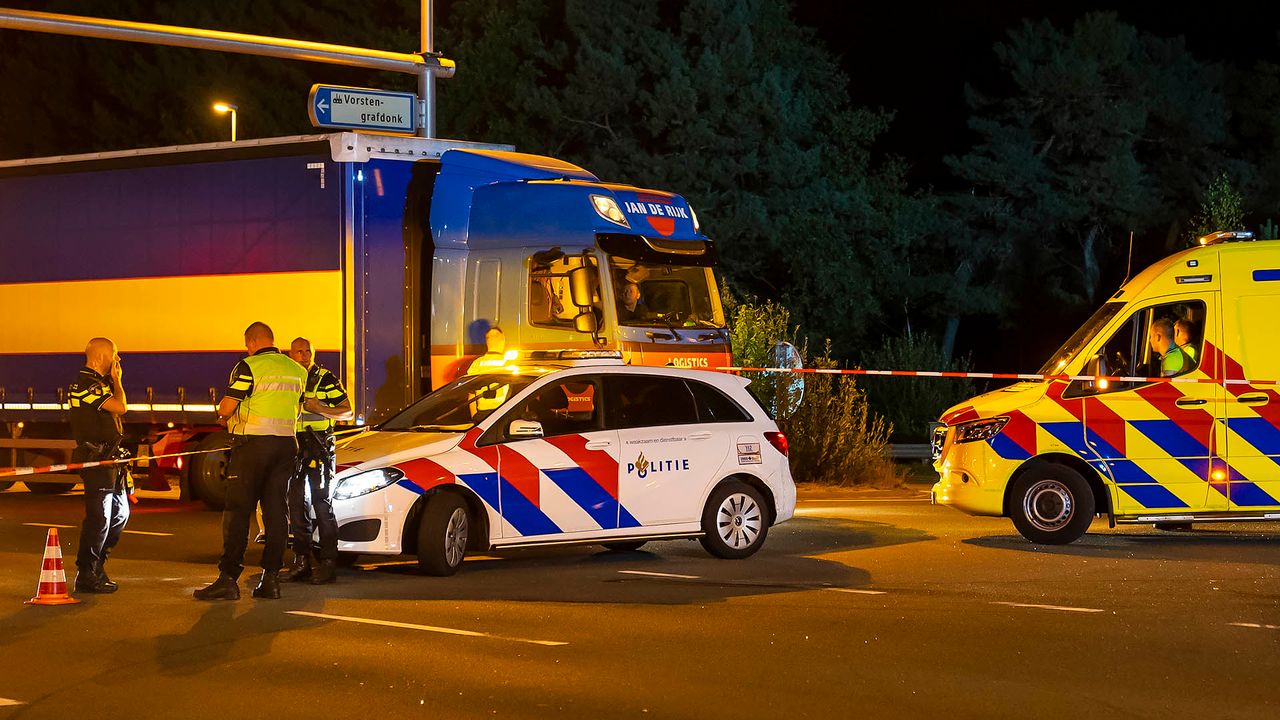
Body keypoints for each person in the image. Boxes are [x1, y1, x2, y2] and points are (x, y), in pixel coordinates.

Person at [195, 322, 308, 601]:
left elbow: (227, 406)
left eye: (248, 344)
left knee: (237, 512)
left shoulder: (248, 366)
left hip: (253, 446)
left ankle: (228, 579)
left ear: (253, 342)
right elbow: (299, 405)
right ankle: (271, 579)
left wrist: (222, 416)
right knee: (276, 512)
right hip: (286, 446)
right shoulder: (296, 369)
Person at [278, 337, 353, 585]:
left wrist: (319, 407)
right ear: (290, 355)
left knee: (322, 505)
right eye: (299, 351)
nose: (304, 355)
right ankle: (301, 561)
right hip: (295, 447)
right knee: (296, 506)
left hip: (318, 447)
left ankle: (328, 564)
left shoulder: (325, 378)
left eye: (307, 351)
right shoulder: (287, 380)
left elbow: (347, 410)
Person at [69, 338, 130, 594]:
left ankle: (98, 566)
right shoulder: (85, 384)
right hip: (96, 461)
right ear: (100, 357)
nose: (117, 360)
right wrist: (117, 380)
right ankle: (86, 573)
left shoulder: (98, 384)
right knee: (99, 519)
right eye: (114, 355)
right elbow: (121, 407)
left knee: (119, 515)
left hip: (112, 461)